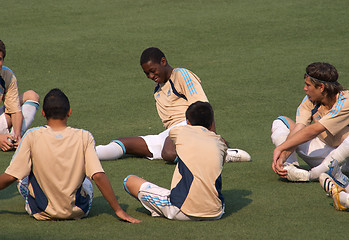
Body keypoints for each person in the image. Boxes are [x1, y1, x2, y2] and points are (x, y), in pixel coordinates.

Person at [0, 89, 140, 222]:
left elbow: (12, 176)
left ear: (43, 113)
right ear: (69, 112)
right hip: (78, 210)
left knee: (22, 175)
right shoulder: (84, 136)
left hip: (41, 211)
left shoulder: (32, 135)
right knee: (87, 178)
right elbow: (98, 175)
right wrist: (118, 210)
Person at [96, 47, 250, 163]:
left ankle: (220, 152)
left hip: (189, 127)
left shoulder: (181, 75)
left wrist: (213, 139)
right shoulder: (157, 90)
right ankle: (85, 153)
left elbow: (204, 108)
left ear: (163, 62)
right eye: (146, 73)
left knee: (169, 153)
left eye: (152, 70)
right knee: (125, 143)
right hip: (170, 134)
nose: (150, 76)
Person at [123, 101, 227, 220]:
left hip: (181, 210)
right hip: (217, 212)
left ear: (187, 121)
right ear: (212, 122)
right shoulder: (220, 142)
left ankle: (159, 209)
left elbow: (167, 153)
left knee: (129, 181)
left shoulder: (179, 131)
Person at [271, 62, 349, 182]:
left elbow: (314, 130)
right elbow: (299, 128)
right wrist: (283, 155)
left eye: (308, 85)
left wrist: (279, 148)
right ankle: (288, 168)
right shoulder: (310, 99)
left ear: (321, 87)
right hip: (324, 155)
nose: (305, 88)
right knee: (281, 122)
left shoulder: (348, 102)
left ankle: (312, 175)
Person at [0, 40, 39, 151]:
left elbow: (15, 110)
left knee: (32, 96)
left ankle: (13, 141)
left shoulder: (6, 75)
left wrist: (17, 135)